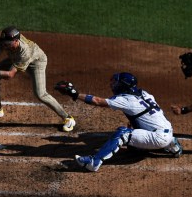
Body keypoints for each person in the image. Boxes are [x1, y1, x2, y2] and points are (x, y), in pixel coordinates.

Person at [54, 72, 183, 172]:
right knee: (132, 141)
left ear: (123, 85)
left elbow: (98, 101)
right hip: (167, 130)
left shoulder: (126, 100)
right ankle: (172, 145)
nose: (113, 84)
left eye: (116, 82)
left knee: (123, 133)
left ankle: (94, 162)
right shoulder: (145, 94)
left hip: (157, 137)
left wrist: (74, 94)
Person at [0, 26, 76, 132]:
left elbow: (10, 75)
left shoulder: (24, 52)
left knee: (40, 94)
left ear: (16, 41)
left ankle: (68, 118)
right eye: (4, 43)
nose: (5, 46)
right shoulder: (8, 40)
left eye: (8, 44)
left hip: (36, 63)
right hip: (16, 58)